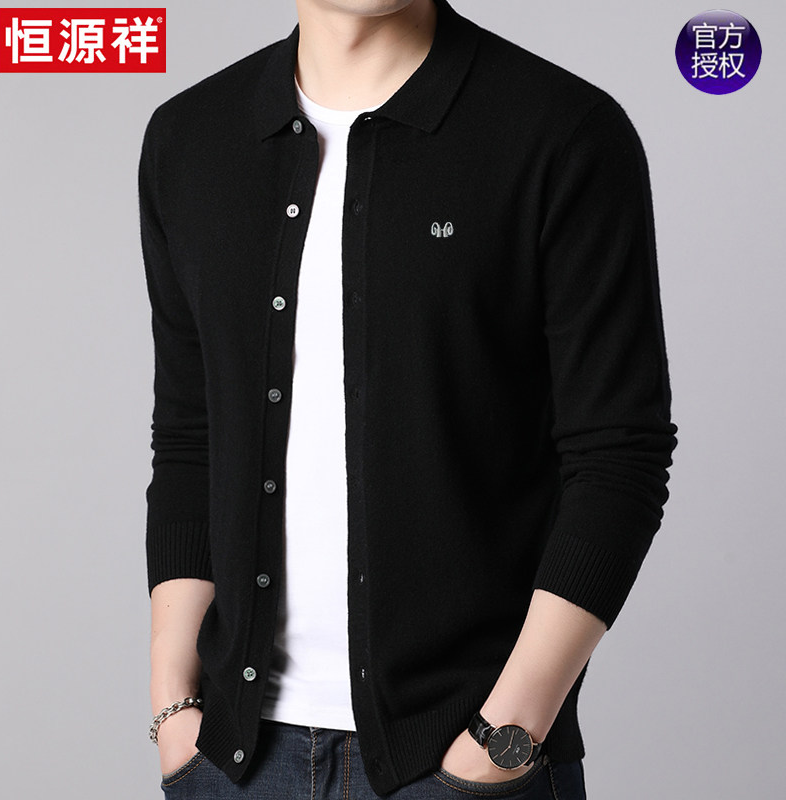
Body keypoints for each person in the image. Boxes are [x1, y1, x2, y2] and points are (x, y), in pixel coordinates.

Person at [139, 1, 678, 798]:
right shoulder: (190, 138)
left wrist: (506, 736)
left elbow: (619, 456)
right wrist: (173, 708)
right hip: (232, 758)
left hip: (464, 757)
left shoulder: (561, 131)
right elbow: (193, 436)